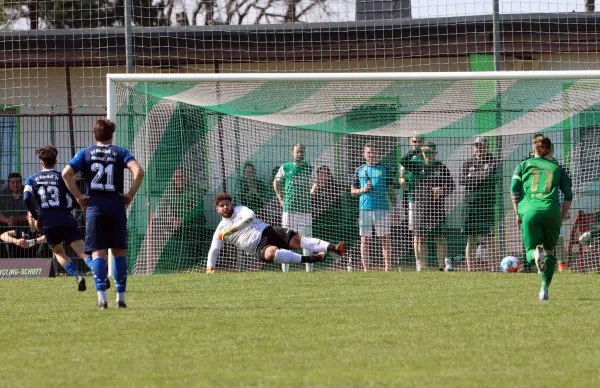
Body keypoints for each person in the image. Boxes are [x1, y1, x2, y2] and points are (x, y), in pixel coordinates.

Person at [62, 119, 145, 309]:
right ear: (111, 135)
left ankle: (102, 299)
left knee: (98, 254)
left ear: (94, 134)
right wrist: (130, 194)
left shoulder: (86, 152)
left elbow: (65, 174)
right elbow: (139, 172)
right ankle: (121, 298)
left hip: (95, 206)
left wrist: (79, 197)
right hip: (116, 205)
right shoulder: (120, 152)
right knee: (119, 253)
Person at [23, 146, 111, 292]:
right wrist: (67, 210)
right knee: (83, 251)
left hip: (47, 221)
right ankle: (99, 273)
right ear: (56, 161)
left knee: (58, 252)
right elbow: (75, 198)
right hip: (65, 218)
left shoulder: (31, 179)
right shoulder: (61, 177)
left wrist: (37, 217)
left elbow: (26, 198)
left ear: (41, 162)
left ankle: (77, 276)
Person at [206, 193, 345, 272]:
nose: (225, 207)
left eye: (227, 204)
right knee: (272, 253)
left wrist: (231, 231)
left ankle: (335, 248)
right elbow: (214, 250)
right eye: (221, 206)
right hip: (257, 247)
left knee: (298, 241)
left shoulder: (240, 210)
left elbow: (250, 218)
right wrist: (210, 269)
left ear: (231, 204)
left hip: (268, 231)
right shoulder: (220, 229)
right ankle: (311, 259)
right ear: (217, 209)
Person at [510, 135, 572, 300]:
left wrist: (517, 212)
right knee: (550, 250)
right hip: (551, 211)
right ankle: (544, 290)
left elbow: (514, 189)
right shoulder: (558, 167)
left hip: (530, 212)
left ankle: (536, 256)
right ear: (550, 149)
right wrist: (561, 215)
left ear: (534, 149)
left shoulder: (523, 165)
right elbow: (569, 195)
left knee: (531, 252)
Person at [409, 142, 455, 271]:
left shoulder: (441, 167)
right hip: (420, 208)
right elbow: (403, 161)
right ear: (422, 154)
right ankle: (421, 266)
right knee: (420, 238)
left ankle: (443, 265)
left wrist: (443, 191)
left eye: (431, 152)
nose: (429, 155)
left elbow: (451, 186)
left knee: (439, 237)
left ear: (435, 153)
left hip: (437, 208)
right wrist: (416, 150)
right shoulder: (416, 166)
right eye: (426, 152)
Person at [350, 142, 395, 272]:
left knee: (385, 238)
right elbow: (352, 192)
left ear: (378, 154)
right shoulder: (359, 170)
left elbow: (390, 190)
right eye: (368, 152)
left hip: (382, 208)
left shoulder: (385, 169)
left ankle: (387, 268)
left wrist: (395, 208)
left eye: (373, 152)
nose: (371, 154)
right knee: (365, 239)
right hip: (365, 209)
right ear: (364, 154)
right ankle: (366, 269)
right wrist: (362, 190)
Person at [459, 137, 499, 271]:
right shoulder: (467, 162)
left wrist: (473, 176)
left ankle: (494, 268)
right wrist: (480, 175)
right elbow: (462, 180)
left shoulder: (493, 161)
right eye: (476, 146)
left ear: (486, 146)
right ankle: (471, 269)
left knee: (489, 237)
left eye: (481, 145)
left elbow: (489, 177)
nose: (478, 148)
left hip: (486, 205)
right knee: (471, 238)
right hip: (470, 205)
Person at [273, 144, 314, 272]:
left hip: (305, 209)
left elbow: (315, 181)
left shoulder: (309, 167)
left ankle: (309, 271)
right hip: (289, 209)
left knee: (306, 240)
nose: (300, 154)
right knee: (286, 239)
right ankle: (285, 271)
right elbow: (276, 181)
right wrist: (280, 198)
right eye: (297, 152)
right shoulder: (285, 167)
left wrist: (312, 191)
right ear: (292, 153)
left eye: (302, 152)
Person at [0, 172, 28, 257]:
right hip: (5, 224)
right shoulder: (2, 194)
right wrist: (7, 220)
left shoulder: (27, 193)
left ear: (21, 183)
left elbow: (30, 213)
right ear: (8, 183)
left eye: (18, 182)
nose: (16, 184)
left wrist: (16, 219)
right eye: (13, 182)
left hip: (23, 224)